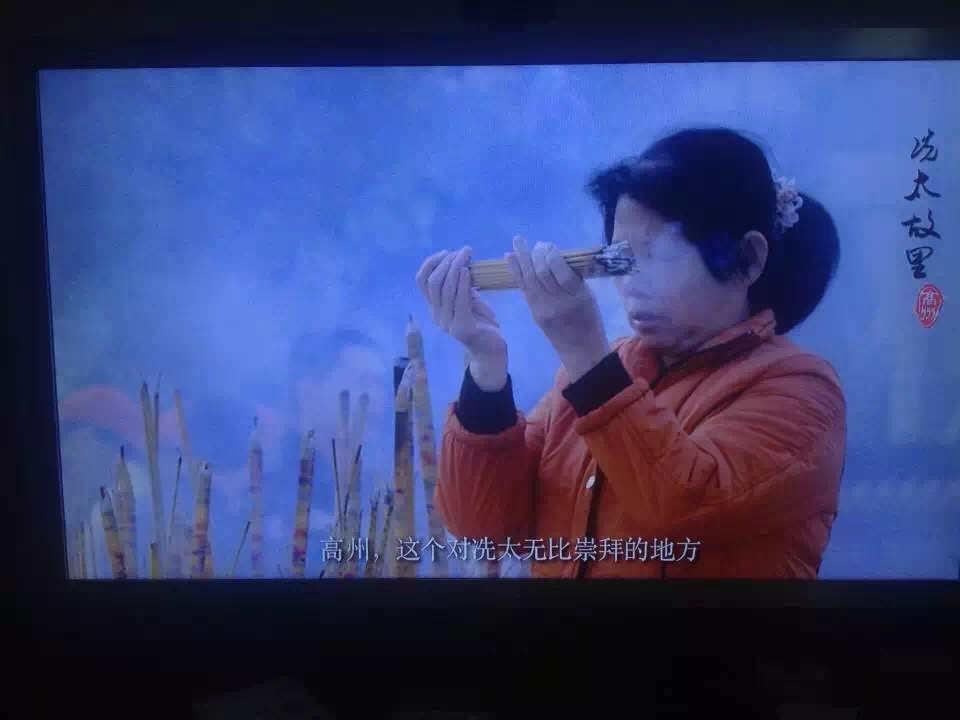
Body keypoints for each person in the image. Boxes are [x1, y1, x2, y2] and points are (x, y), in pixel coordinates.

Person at [415, 128, 845, 578]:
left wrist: (585, 354)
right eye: (620, 259)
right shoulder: (602, 370)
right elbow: (485, 527)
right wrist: (486, 365)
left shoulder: (802, 389)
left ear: (749, 258)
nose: (630, 283)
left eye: (659, 255)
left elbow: (682, 506)